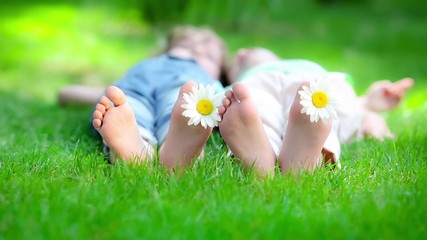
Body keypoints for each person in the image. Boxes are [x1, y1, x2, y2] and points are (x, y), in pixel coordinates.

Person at [218, 48, 414, 177]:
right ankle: (266, 159)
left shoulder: (307, 67)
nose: (242, 52)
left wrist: (370, 100)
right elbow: (212, 107)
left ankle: (287, 160)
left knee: (320, 108)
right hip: (259, 85)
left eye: (250, 50)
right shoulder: (244, 83)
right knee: (255, 109)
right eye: (235, 64)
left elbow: (354, 103)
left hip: (316, 83)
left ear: (277, 57)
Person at [87, 26, 229, 170]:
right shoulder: (150, 63)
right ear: (166, 51)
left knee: (186, 105)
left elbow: (229, 102)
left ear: (220, 75)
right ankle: (136, 150)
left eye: (209, 56)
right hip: (134, 89)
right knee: (125, 105)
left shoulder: (212, 87)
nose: (196, 54)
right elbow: (109, 93)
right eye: (186, 47)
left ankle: (180, 146)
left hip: (180, 90)